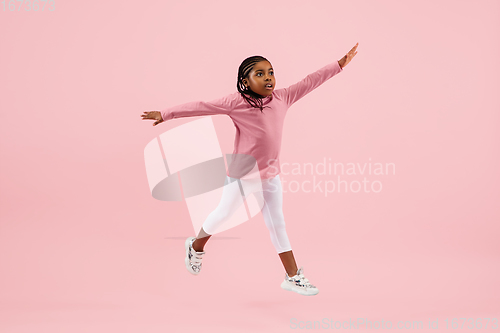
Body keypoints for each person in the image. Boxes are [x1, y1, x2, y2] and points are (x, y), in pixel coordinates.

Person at [141, 43, 359, 296]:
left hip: (271, 174)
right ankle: (196, 245)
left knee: (277, 223)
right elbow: (202, 105)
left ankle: (292, 277)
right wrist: (166, 114)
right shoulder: (236, 102)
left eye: (271, 72)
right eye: (260, 74)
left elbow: (311, 81)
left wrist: (339, 65)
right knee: (222, 215)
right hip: (243, 175)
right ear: (245, 81)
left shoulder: (283, 97)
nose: (268, 78)